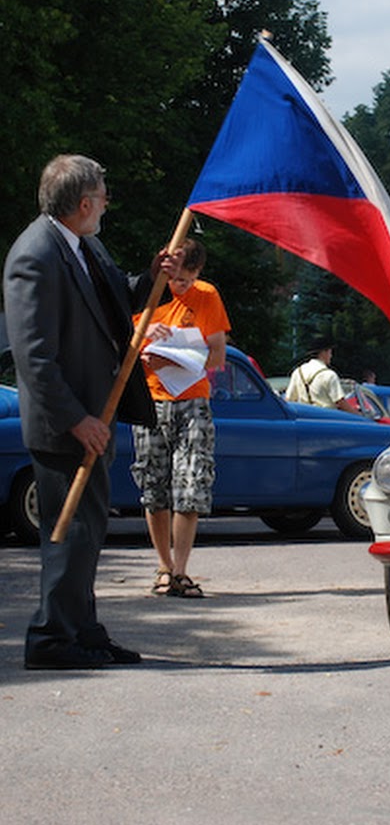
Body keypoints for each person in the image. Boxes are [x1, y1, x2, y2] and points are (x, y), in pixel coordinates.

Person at [3, 154, 177, 669]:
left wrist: (153, 277)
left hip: (93, 420)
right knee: (69, 532)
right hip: (67, 426)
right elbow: (32, 355)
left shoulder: (85, 246)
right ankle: (52, 639)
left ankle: (83, 631)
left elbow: (116, 301)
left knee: (86, 532)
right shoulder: (34, 255)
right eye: (102, 195)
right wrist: (77, 418)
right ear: (83, 203)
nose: (106, 203)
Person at [130, 239, 230, 598]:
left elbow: (217, 355)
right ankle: (163, 566)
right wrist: (143, 340)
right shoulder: (147, 293)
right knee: (153, 486)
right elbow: (123, 345)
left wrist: (176, 359)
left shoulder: (207, 296)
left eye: (188, 281)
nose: (181, 287)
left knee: (190, 486)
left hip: (193, 400)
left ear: (198, 274)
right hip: (151, 401)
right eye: (177, 280)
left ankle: (182, 571)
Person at [286, 338, 357, 411]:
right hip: (327, 418)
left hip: (305, 418)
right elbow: (340, 402)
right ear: (323, 352)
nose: (331, 356)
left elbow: (289, 399)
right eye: (330, 352)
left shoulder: (298, 372)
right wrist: (358, 416)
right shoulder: (329, 375)